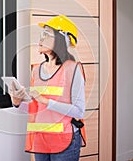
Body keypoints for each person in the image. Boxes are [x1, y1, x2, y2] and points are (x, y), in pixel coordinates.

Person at [9, 15, 87, 161]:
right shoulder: (36, 70)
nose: (40, 38)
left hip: (65, 140)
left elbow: (79, 110)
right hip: (41, 139)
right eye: (41, 34)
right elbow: (36, 109)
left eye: (46, 34)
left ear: (62, 39)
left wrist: (45, 101)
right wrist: (17, 102)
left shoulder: (73, 69)